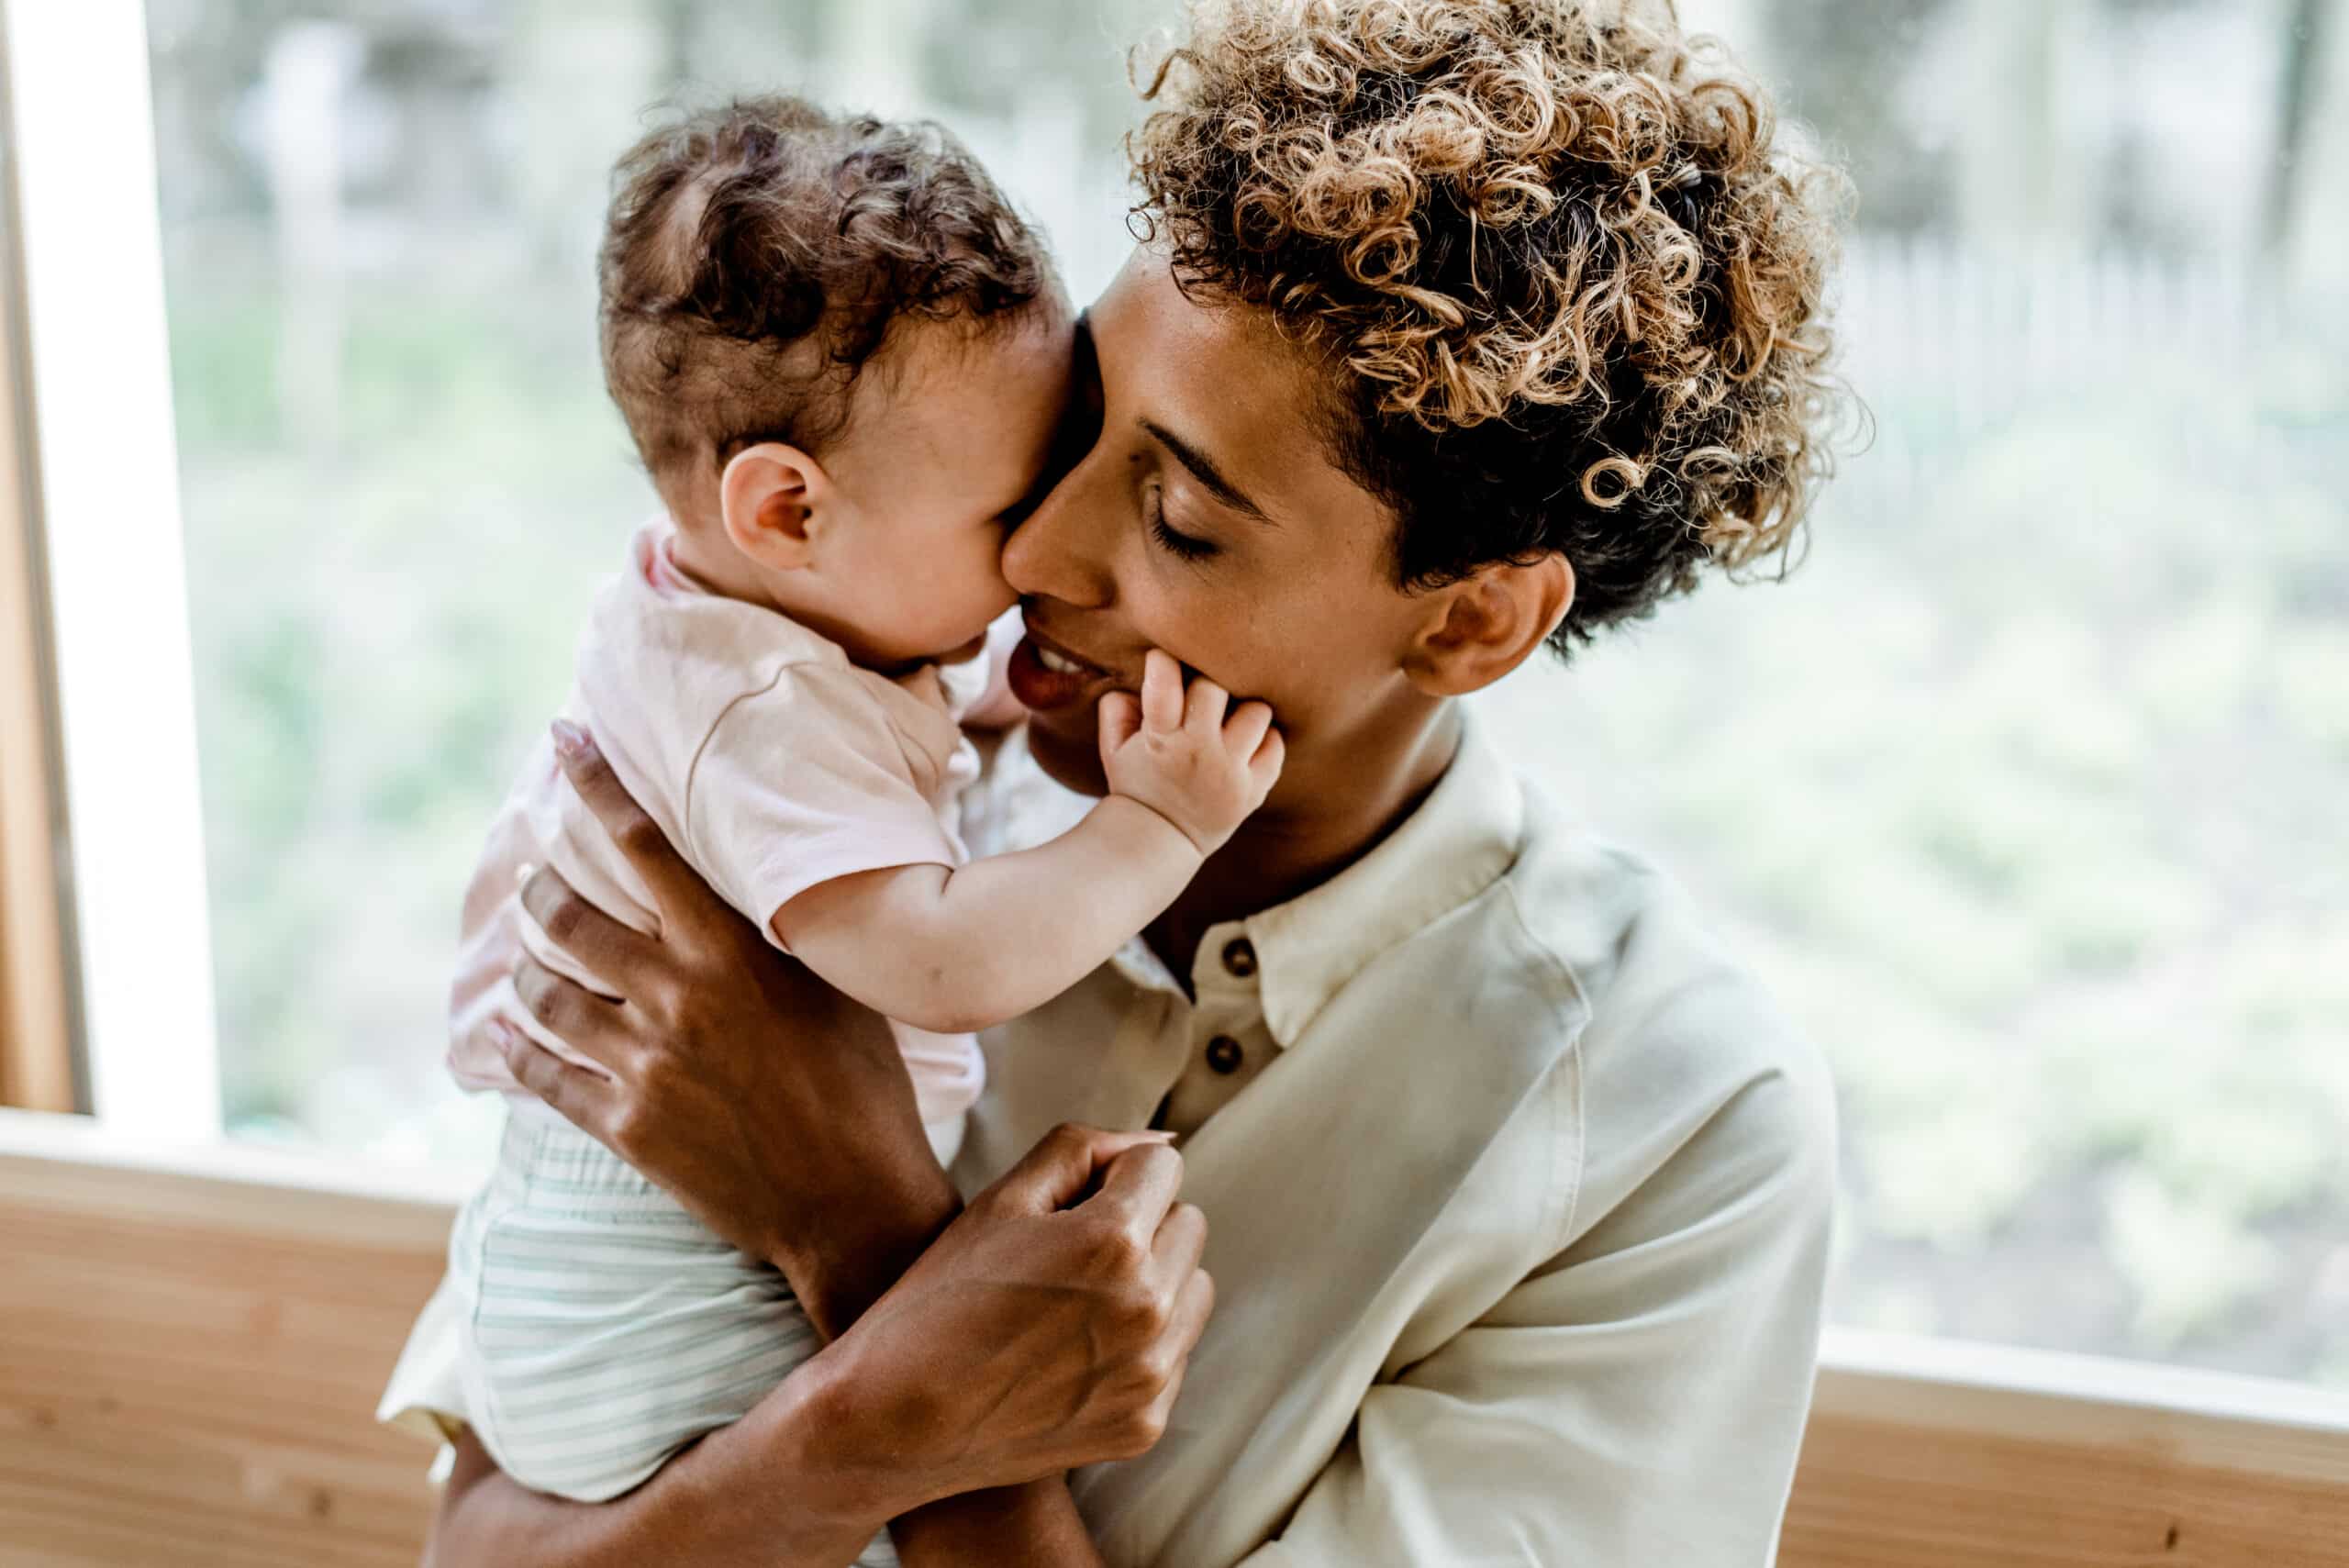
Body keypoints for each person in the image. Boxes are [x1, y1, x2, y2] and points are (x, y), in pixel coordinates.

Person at [400, 2, 1850, 1562]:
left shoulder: (1679, 1126)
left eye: (1179, 518)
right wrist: (872, 1389)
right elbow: (476, 1538)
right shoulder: (841, 789)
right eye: (1073, 426)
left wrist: (861, 1228)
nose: (1031, 553)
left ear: (1471, 617)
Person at [383, 95, 1282, 1560]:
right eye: (1009, 506)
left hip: (593, 1293)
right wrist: (1155, 826)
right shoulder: (762, 715)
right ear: (787, 510)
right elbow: (934, 965)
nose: (1040, 554)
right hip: (662, 1297)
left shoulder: (733, 625)